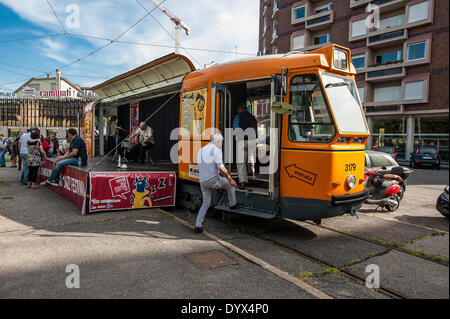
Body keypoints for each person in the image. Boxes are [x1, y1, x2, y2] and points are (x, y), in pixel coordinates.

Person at [195, 134, 242, 234]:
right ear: (219, 142)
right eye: (221, 142)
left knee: (206, 203)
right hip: (214, 181)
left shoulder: (201, 150)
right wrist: (230, 179)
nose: (221, 144)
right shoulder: (217, 151)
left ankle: (198, 225)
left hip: (203, 181)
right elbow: (221, 168)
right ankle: (232, 204)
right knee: (230, 184)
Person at [232, 102, 258, 189]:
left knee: (241, 161)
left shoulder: (238, 116)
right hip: (253, 140)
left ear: (240, 109)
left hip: (242, 140)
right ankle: (252, 174)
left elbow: (235, 128)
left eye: (237, 110)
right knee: (251, 157)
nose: (237, 111)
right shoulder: (253, 118)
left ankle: (242, 182)